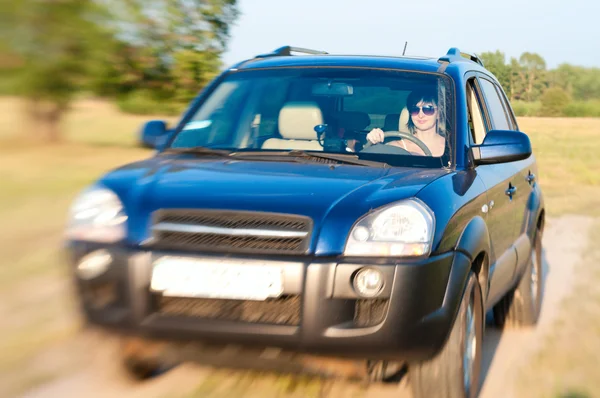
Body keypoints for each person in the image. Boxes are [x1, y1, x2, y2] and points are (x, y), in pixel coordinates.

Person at [365, 88, 446, 156]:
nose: (421, 115)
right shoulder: (394, 148)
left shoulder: (452, 149)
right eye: (415, 110)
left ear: (438, 113)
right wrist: (374, 142)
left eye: (428, 109)